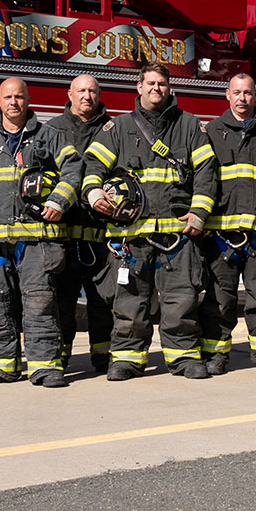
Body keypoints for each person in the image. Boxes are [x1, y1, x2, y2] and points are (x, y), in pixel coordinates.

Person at [82, 62, 218, 381]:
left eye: (162, 84)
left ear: (169, 88)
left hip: (177, 233)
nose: (156, 89)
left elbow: (206, 173)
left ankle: (183, 356)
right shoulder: (117, 129)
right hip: (130, 235)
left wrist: (198, 213)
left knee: (181, 298)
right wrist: (92, 192)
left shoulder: (188, 126)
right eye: (151, 83)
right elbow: (92, 165)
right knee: (129, 300)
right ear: (139, 87)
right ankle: (128, 359)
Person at [0, 78, 82, 387]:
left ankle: (45, 366)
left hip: (37, 238)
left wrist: (59, 201)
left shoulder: (49, 136)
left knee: (40, 301)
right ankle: (1, 364)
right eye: (8, 97)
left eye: (19, 97)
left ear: (28, 100)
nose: (14, 102)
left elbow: (74, 169)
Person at [199, 73, 256, 375]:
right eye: (237, 92)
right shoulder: (212, 131)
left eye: (248, 93)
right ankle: (217, 355)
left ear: (255, 95)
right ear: (227, 95)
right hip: (222, 234)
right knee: (220, 298)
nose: (242, 98)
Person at [46, 74, 117, 375]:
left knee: (104, 299)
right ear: (70, 94)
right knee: (60, 300)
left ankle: (104, 357)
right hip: (61, 233)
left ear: (99, 95)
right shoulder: (51, 130)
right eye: (81, 91)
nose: (87, 96)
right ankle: (59, 357)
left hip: (100, 231)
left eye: (92, 91)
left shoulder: (114, 129)